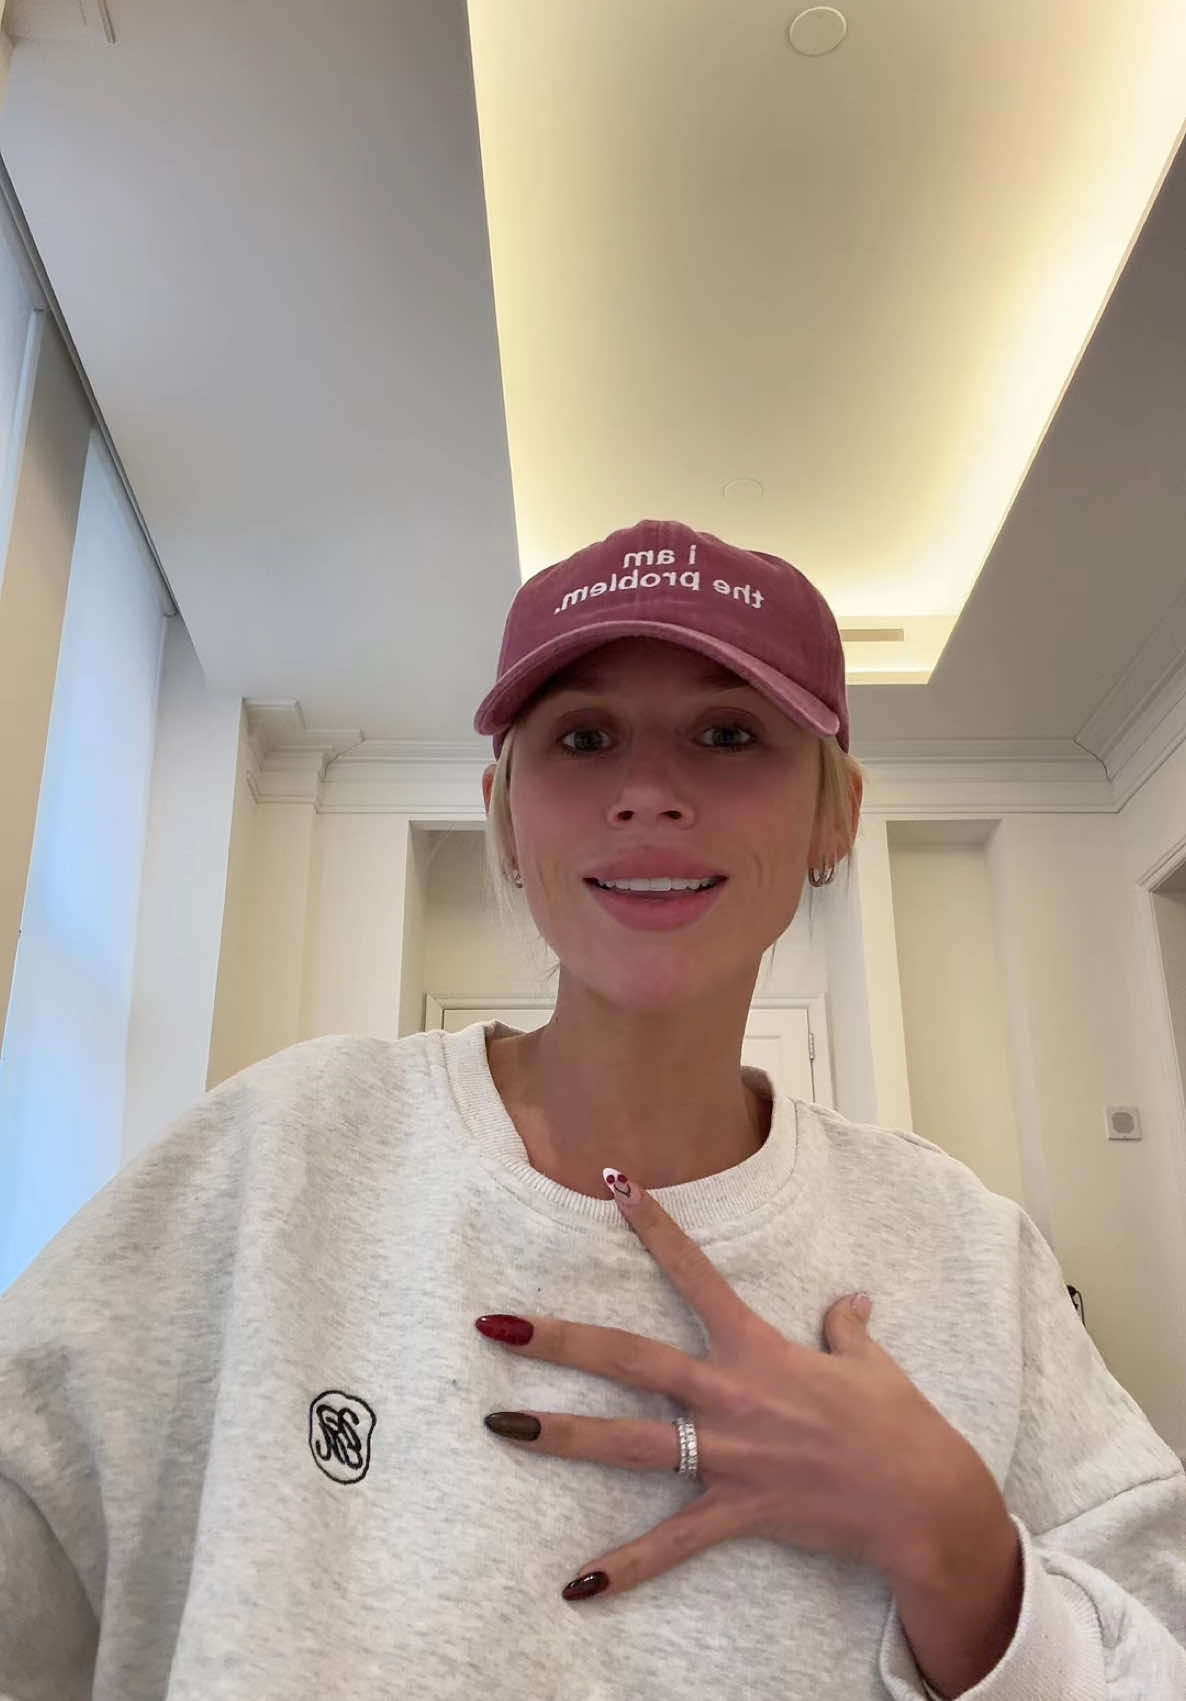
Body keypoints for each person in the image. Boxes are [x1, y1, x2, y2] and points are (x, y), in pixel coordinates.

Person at [0, 518, 1183, 1700]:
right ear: (505, 813)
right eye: (582, 736)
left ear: (836, 814)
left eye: (728, 734)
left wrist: (955, 1544)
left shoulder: (964, 1250)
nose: (649, 793)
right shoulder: (289, 1147)